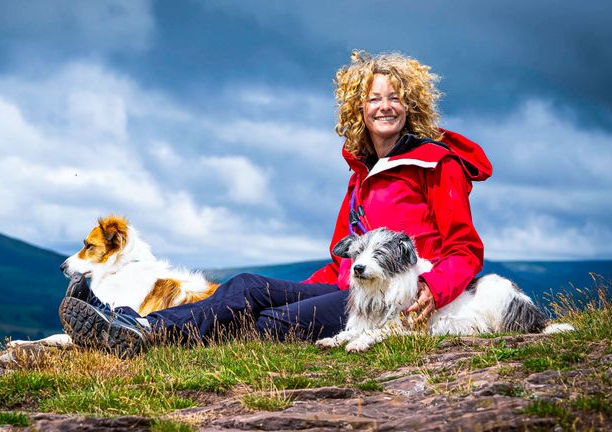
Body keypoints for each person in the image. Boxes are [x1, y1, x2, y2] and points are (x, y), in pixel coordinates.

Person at [58, 50, 492, 356]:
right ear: (359, 108)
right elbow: (337, 259)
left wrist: (432, 292)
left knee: (271, 325)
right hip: (346, 287)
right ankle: (136, 324)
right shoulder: (360, 175)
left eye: (394, 97)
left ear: (410, 105)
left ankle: (148, 341)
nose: (384, 107)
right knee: (248, 286)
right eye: (374, 98)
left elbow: (464, 250)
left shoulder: (437, 165)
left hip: (389, 300)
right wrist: (290, 292)